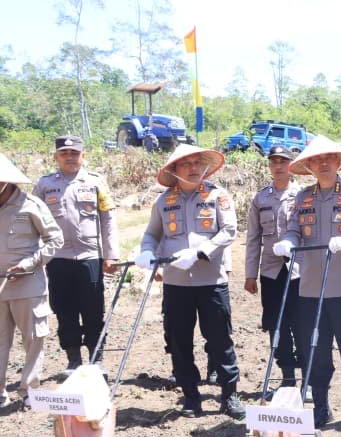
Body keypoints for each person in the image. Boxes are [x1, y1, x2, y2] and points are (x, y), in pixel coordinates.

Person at [272, 136, 341, 431]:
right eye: (316, 160)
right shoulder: (302, 197)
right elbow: (294, 230)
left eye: (328, 158)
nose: (323, 164)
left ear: (338, 162)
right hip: (310, 288)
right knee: (314, 349)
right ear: (309, 166)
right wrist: (287, 242)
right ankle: (320, 406)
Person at [137, 144, 244, 419]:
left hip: (211, 281)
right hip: (176, 284)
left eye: (198, 163)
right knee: (179, 341)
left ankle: (229, 395)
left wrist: (200, 251)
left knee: (220, 339)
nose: (194, 168)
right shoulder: (164, 201)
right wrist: (147, 251)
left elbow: (229, 229)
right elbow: (152, 234)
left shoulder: (217, 196)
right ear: (175, 170)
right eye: (186, 164)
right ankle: (191, 396)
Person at [33, 135, 119, 379]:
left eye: (74, 153)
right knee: (64, 310)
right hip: (57, 258)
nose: (69, 157)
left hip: (89, 257)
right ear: (56, 157)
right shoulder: (44, 184)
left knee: (93, 310)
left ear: (83, 156)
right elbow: (32, 219)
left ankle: (96, 360)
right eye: (64, 153)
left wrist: (111, 255)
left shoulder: (95, 182)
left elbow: (108, 219)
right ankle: (73, 361)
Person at [0, 152, 63, 408]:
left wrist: (28, 264)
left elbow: (55, 239)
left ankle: (29, 390)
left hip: (27, 285)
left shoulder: (31, 205)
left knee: (33, 339)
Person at [245, 145, 302, 388]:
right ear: (269, 166)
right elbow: (253, 238)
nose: (278, 166)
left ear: (291, 165)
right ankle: (287, 378)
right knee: (275, 325)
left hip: (299, 272)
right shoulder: (260, 198)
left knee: (302, 324)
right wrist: (250, 274)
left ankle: (308, 381)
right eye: (274, 162)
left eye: (283, 161)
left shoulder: (303, 195)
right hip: (270, 272)